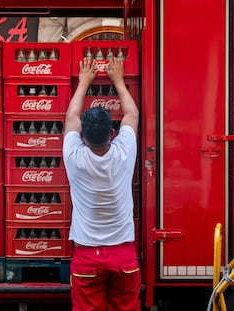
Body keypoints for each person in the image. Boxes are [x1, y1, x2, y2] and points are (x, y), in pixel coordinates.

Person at [63, 57, 141, 311]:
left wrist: (84, 81)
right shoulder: (123, 152)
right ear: (112, 132)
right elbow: (132, 113)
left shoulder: (74, 156)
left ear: (83, 135)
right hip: (123, 255)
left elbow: (72, 116)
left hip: (87, 256)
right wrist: (118, 80)